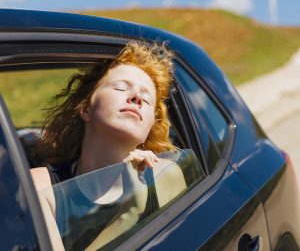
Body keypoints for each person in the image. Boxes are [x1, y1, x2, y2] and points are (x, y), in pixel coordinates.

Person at [30, 41, 187, 250]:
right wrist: (128, 216)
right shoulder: (41, 187)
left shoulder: (164, 176)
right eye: (121, 87)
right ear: (86, 109)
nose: (137, 97)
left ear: (150, 127)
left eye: (147, 99)